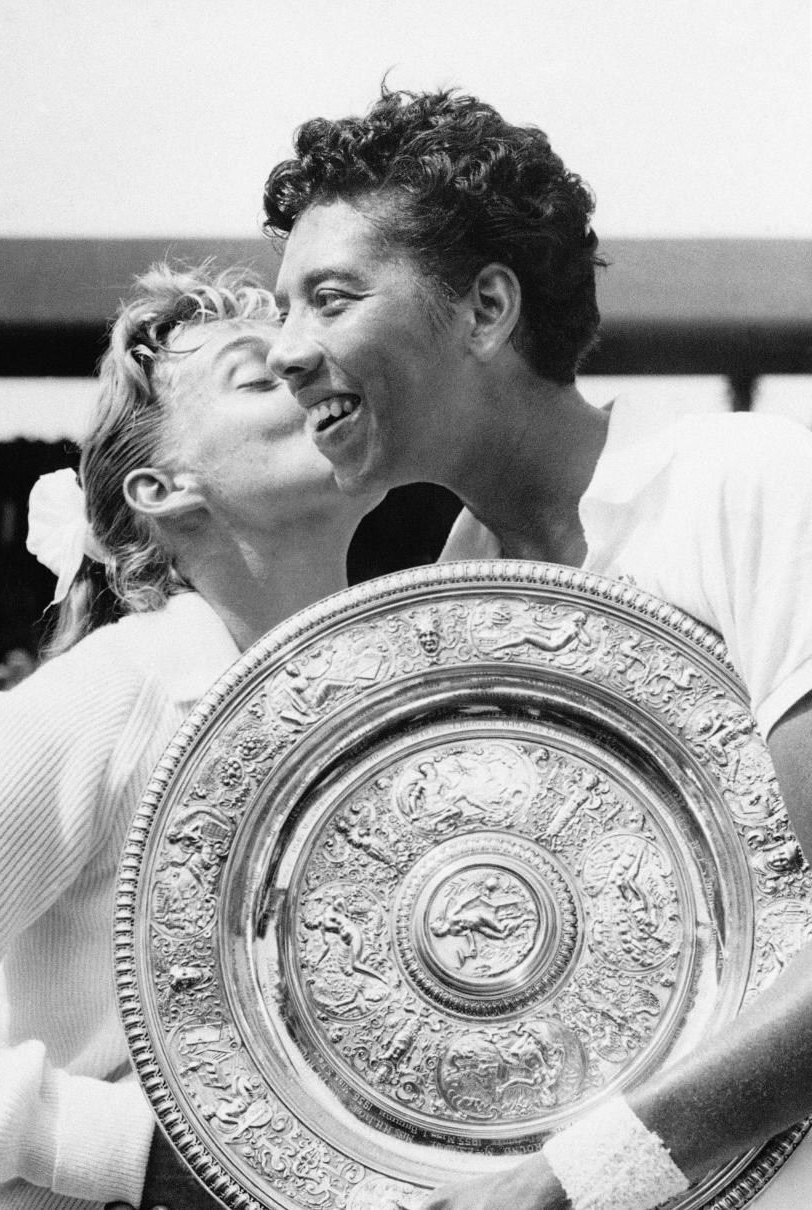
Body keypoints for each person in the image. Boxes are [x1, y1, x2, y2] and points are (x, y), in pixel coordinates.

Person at [263, 86, 812, 1210]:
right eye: (284, 312)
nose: (284, 352)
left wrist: (577, 1179)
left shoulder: (746, 484)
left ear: (486, 308)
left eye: (329, 300)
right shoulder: (439, 609)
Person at [0, 262, 379, 1209]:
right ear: (164, 487)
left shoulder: (403, 696)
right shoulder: (102, 700)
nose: (308, 372)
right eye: (259, 377)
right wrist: (129, 1151)